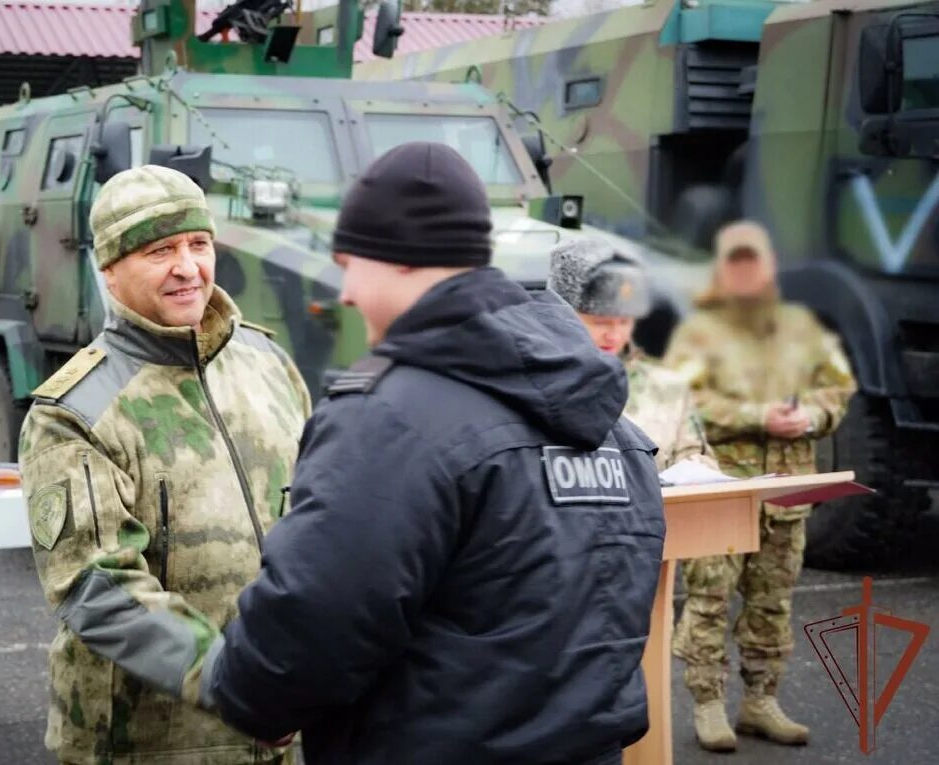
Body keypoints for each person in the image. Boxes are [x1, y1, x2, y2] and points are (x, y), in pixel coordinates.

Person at [173, 142, 664, 764]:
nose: (346, 292)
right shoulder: (608, 421)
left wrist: (254, 697)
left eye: (351, 263)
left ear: (400, 260)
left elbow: (315, 620)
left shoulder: (389, 420)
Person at [18, 165, 312, 765]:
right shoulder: (74, 412)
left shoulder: (268, 363)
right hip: (150, 743)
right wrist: (232, 682)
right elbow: (97, 586)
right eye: (160, 250)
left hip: (287, 727)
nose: (187, 267)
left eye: (198, 244)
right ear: (110, 271)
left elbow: (323, 520)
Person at [664, 220, 856, 752]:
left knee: (772, 602)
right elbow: (686, 405)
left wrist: (812, 418)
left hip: (787, 493)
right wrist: (757, 416)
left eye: (756, 262)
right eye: (736, 262)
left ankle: (760, 701)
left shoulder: (803, 328)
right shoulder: (698, 333)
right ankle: (707, 704)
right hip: (723, 490)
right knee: (709, 598)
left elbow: (839, 386)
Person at [547, 239, 716, 471]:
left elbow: (699, 463)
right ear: (562, 314)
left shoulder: (667, 388)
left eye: (624, 322)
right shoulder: (538, 387)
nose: (614, 335)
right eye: (600, 322)